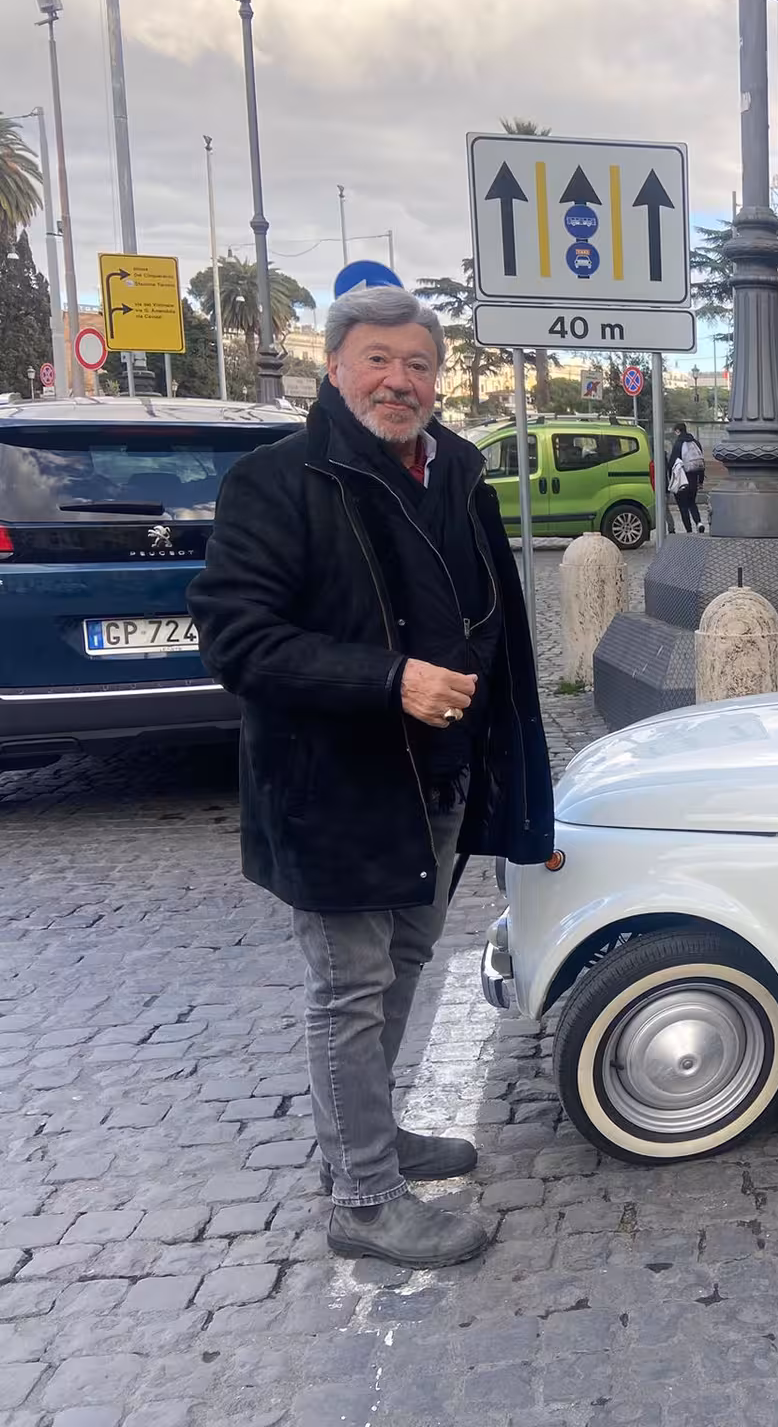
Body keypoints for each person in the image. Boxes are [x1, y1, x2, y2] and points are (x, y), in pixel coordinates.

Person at [187, 286, 555, 1271]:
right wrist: (388, 680)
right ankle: (362, 1194)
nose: (401, 381)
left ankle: (370, 1136)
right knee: (349, 988)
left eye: (419, 364)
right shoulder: (278, 481)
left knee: (399, 970)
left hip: (437, 780)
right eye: (379, 360)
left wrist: (513, 773)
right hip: (335, 791)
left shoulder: (458, 473)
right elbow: (239, 638)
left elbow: (502, 633)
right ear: (337, 369)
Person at [668, 423, 706, 534]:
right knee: (692, 503)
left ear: (678, 431)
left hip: (682, 480)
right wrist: (700, 481)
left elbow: (672, 464)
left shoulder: (678, 444)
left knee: (683, 507)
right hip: (694, 479)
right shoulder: (696, 443)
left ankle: (689, 531)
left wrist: (672, 479)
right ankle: (699, 523)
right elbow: (701, 463)